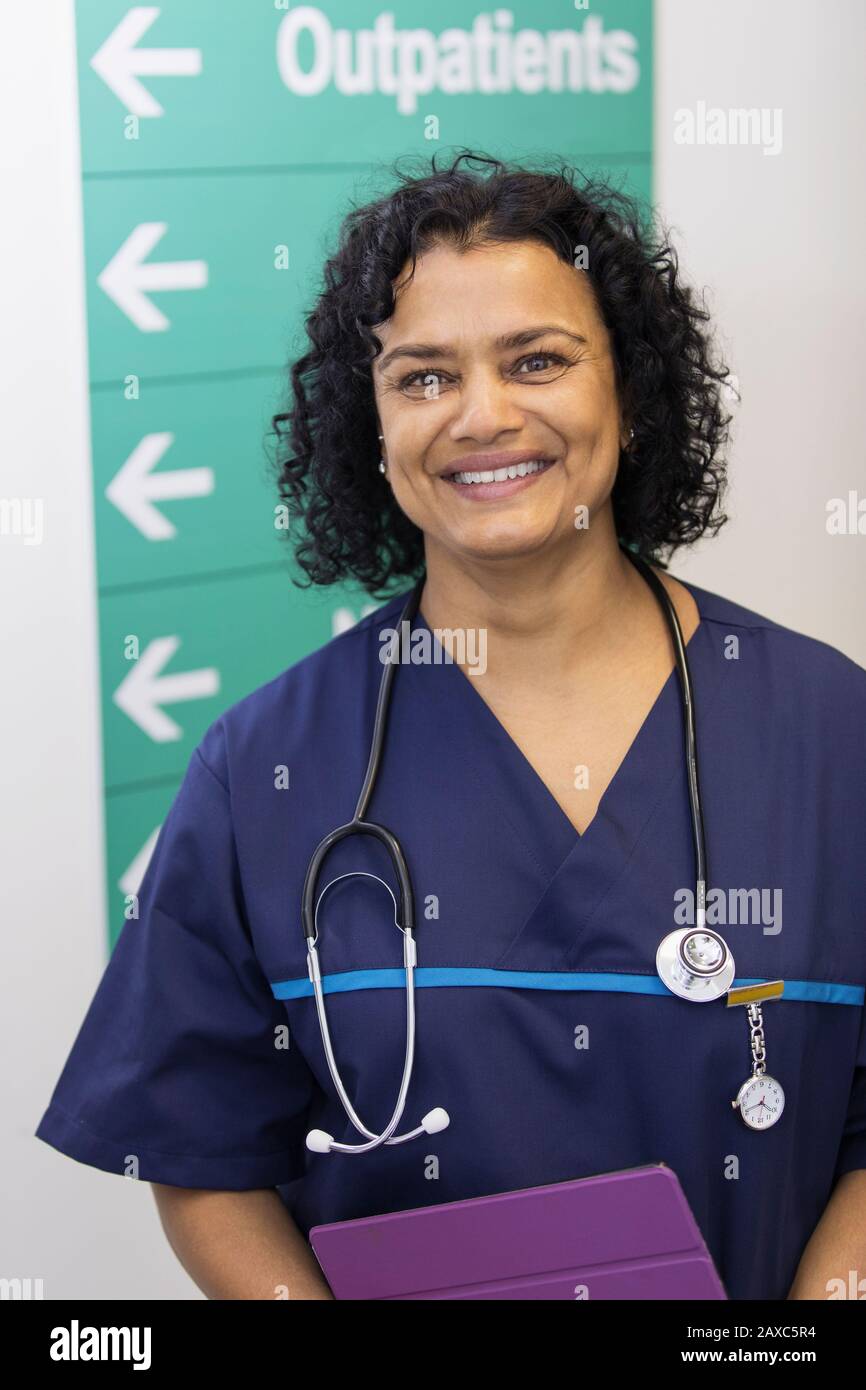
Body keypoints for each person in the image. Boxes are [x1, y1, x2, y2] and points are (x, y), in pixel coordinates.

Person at [36, 151, 866, 1301]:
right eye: (422, 377)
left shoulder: (831, 735)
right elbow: (203, 1152)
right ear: (368, 424)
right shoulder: (265, 767)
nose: (482, 416)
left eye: (536, 360)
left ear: (626, 389)